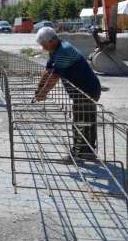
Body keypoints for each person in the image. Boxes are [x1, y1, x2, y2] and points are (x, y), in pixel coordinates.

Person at [34, 27, 101, 160]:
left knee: (83, 123)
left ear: (52, 40)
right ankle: (85, 152)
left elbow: (54, 77)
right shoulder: (55, 49)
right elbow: (48, 71)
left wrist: (43, 93)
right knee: (82, 121)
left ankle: (80, 153)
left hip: (86, 91)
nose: (43, 48)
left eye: (43, 45)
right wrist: (39, 88)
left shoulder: (63, 51)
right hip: (81, 91)